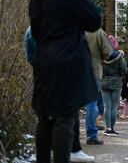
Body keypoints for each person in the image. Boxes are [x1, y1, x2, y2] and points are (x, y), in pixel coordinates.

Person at [28, 0, 101, 162]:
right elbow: (94, 20)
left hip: (43, 62)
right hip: (68, 63)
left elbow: (36, 30)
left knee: (45, 119)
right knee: (64, 119)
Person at [24, 27, 95, 162]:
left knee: (46, 118)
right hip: (63, 73)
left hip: (43, 75)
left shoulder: (34, 28)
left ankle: (54, 150)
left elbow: (31, 56)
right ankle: (72, 149)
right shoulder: (64, 26)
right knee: (67, 117)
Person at [85, 28, 119, 144]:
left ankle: (71, 139)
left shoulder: (74, 27)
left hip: (75, 70)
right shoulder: (98, 32)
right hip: (93, 71)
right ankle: (91, 135)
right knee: (92, 104)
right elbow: (108, 53)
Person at [101, 35, 128, 136]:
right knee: (113, 107)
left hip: (104, 82)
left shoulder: (101, 56)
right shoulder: (118, 56)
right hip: (116, 82)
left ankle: (107, 128)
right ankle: (112, 128)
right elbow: (124, 70)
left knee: (107, 106)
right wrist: (119, 76)